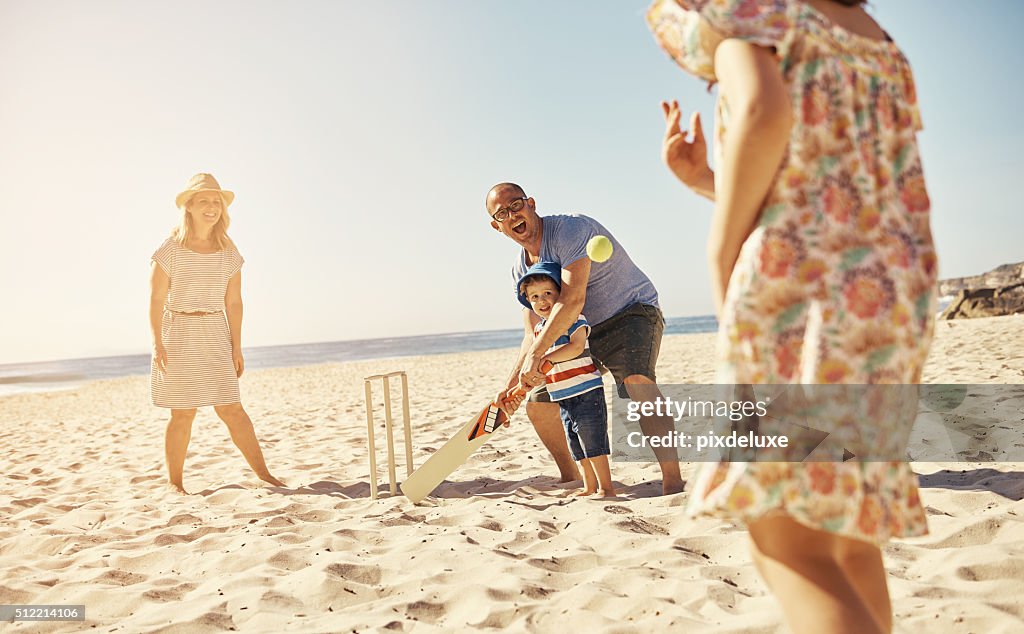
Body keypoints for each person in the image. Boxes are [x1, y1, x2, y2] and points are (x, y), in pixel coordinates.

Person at [647, 0, 937, 632]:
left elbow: (762, 109)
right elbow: (837, 186)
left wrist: (722, 246)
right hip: (891, 293)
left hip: (801, 292)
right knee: (844, 527)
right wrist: (707, 183)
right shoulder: (872, 37)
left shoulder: (751, 14)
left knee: (787, 540)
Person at [486, 182, 683, 495]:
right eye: (502, 214)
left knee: (637, 381)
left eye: (516, 205)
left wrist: (538, 357)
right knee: (538, 405)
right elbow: (532, 333)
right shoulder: (520, 270)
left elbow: (572, 300)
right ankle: (573, 477)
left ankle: (672, 478)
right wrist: (511, 387)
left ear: (531, 204)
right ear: (497, 226)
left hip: (629, 312)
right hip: (576, 332)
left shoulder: (571, 230)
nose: (512, 215)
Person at [149, 173, 285, 494]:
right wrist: (157, 343)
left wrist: (237, 347)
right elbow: (156, 299)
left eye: (216, 202)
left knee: (231, 408)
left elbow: (235, 302)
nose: (211, 207)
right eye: (204, 201)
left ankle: (265, 475)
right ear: (190, 207)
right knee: (182, 412)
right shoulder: (170, 249)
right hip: (178, 332)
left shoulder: (228, 252)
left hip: (214, 331)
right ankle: (175, 484)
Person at [515, 261, 615, 497]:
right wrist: (524, 382)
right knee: (577, 445)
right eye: (535, 297)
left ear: (561, 294)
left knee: (593, 442)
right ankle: (589, 486)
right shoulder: (540, 330)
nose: (542, 301)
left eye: (548, 293)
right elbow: (539, 368)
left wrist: (546, 359)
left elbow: (576, 347)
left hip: (586, 391)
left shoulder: (573, 319)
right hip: (563, 396)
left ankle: (607, 488)